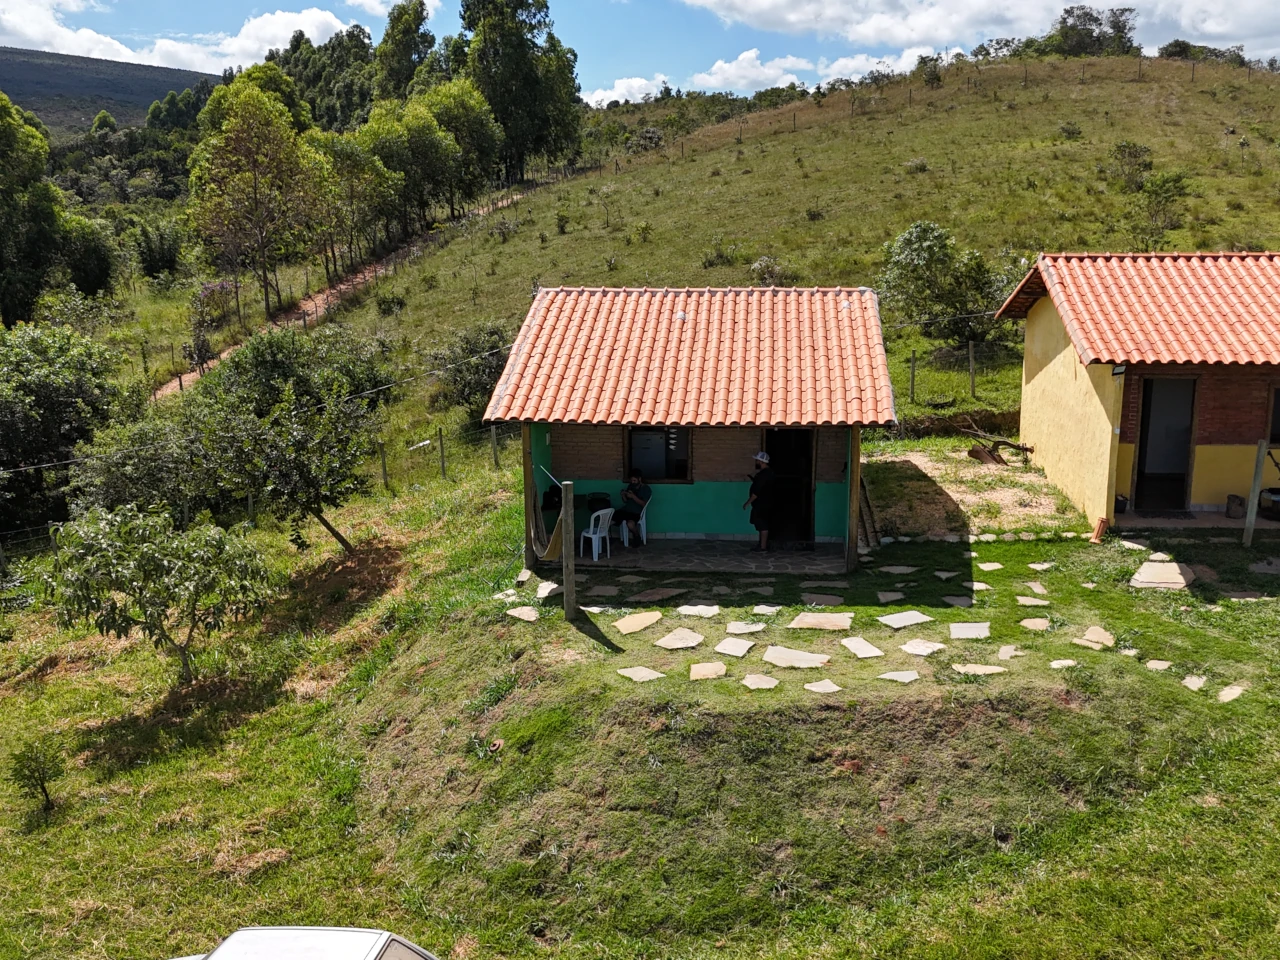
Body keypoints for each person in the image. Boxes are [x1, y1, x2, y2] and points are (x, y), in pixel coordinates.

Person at [743, 451, 775, 552]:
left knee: (762, 525)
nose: (756, 461)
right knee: (761, 524)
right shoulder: (769, 473)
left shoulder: (763, 475)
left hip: (762, 504)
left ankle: (763, 546)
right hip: (765, 503)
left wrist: (747, 503)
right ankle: (762, 544)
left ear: (761, 461)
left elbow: (757, 491)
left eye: (757, 460)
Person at [617, 469, 652, 545]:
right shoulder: (631, 486)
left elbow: (643, 504)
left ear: (639, 479)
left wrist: (633, 496)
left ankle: (636, 536)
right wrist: (623, 495)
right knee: (609, 518)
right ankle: (600, 537)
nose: (632, 482)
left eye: (634, 480)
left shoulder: (646, 489)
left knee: (630, 524)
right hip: (626, 510)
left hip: (636, 512)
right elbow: (626, 501)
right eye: (631, 480)